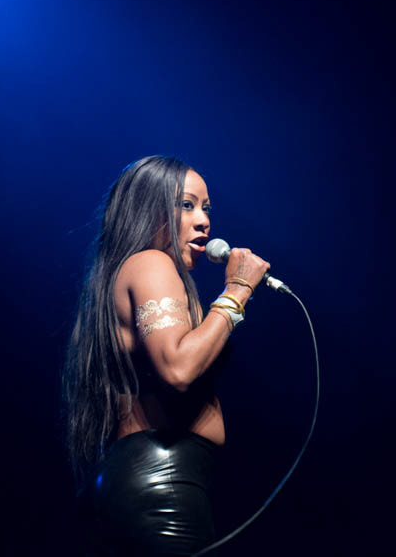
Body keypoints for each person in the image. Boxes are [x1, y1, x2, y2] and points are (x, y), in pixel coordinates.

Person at [61, 155, 271, 556]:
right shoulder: (151, 264)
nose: (204, 221)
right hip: (161, 483)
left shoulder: (131, 271)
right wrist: (238, 290)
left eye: (206, 208)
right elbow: (178, 368)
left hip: (156, 479)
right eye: (187, 205)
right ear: (148, 210)